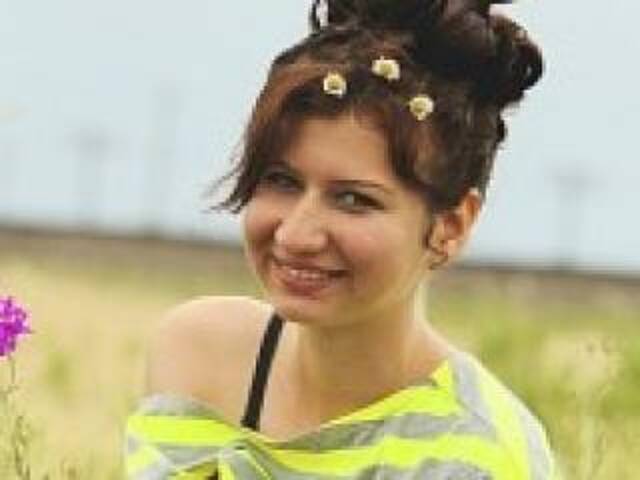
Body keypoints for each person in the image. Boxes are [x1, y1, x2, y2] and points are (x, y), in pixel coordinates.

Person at [125, 0, 561, 478]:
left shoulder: (479, 454)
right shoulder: (196, 356)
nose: (296, 235)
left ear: (451, 226)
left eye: (353, 200)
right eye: (281, 181)